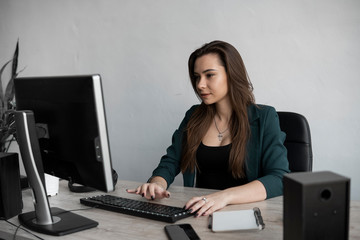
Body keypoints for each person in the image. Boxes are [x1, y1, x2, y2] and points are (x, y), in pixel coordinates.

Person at [127, 40, 290, 217]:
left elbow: (279, 178)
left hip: (247, 215)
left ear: (232, 74)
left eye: (209, 75)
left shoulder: (264, 117)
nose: (200, 85)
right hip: (200, 213)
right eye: (197, 77)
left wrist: (223, 197)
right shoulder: (193, 115)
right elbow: (171, 161)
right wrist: (157, 183)